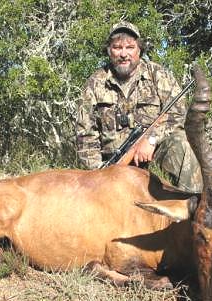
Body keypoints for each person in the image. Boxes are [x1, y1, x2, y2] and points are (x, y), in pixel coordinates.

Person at [76, 21, 202, 192]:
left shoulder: (158, 74)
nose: (123, 54)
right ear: (109, 50)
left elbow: (178, 114)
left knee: (182, 144)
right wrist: (98, 173)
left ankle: (193, 206)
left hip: (153, 153)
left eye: (130, 47)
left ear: (139, 49)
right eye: (117, 47)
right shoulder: (95, 83)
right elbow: (85, 136)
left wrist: (151, 140)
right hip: (112, 165)